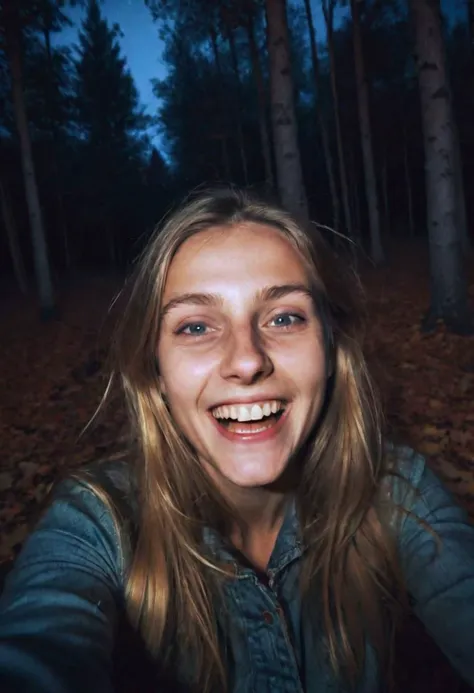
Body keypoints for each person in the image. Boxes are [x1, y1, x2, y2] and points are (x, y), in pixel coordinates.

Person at [0, 187, 473, 693]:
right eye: (197, 326)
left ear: (331, 348)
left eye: (284, 317)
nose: (247, 360)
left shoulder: (393, 487)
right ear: (154, 369)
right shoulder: (99, 521)